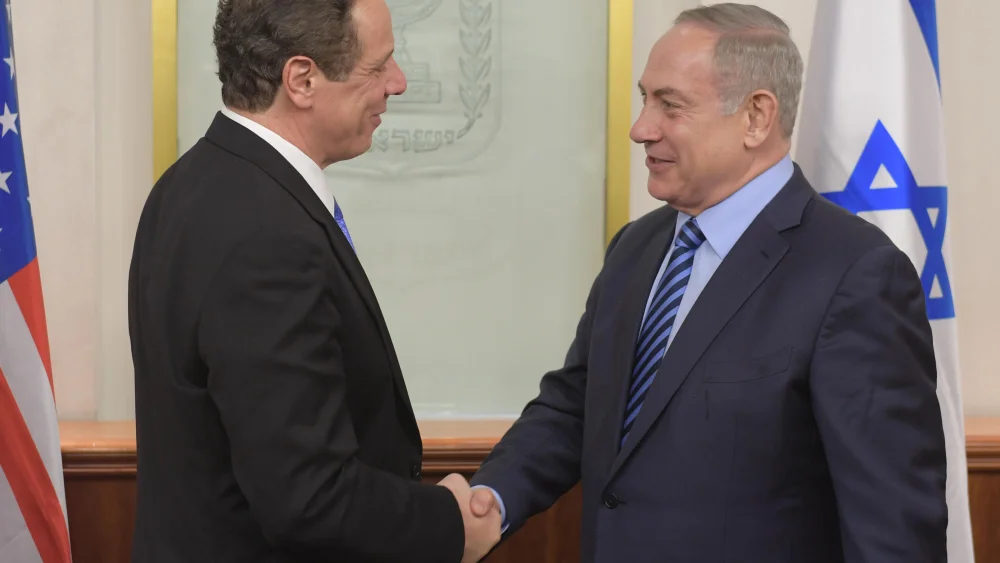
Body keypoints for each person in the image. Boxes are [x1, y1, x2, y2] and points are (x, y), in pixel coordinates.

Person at [467, 3, 948, 562]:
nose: (640, 128)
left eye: (670, 105)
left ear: (756, 117)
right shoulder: (635, 247)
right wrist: (490, 500)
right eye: (644, 98)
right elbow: (577, 404)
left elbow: (892, 526)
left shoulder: (856, 274)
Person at [127, 0, 500, 561]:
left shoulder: (191, 183)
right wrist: (448, 524)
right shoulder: (264, 234)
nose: (397, 83)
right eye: (379, 67)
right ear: (301, 79)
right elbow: (307, 497)